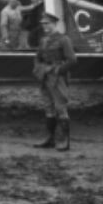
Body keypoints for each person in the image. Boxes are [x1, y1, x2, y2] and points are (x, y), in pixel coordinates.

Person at [33, 10, 77, 151]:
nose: (45, 26)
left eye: (48, 23)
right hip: (45, 76)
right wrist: (38, 69)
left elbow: (72, 60)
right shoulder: (43, 40)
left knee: (60, 108)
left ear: (55, 24)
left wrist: (58, 70)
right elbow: (38, 57)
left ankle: (64, 141)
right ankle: (50, 139)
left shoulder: (64, 40)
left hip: (57, 78)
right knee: (48, 107)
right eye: (43, 24)